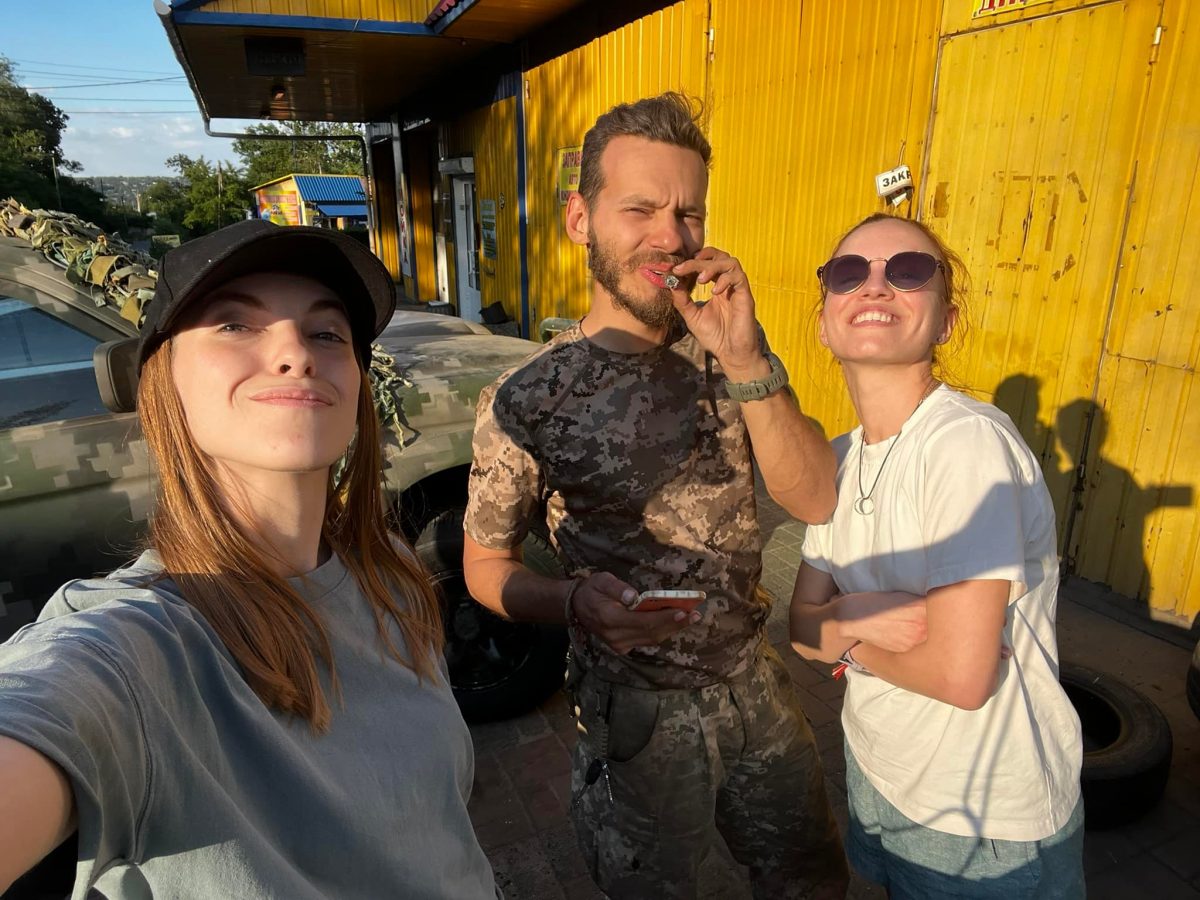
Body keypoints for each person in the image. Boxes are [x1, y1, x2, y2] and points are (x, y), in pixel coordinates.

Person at [0, 221, 497, 899]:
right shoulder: (133, 652)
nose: (295, 351)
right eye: (234, 324)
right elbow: (42, 708)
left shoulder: (393, 581)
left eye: (327, 332)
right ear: (163, 380)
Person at [462, 92, 848, 899]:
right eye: (640, 209)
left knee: (810, 879)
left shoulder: (732, 351)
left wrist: (747, 360)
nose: (671, 237)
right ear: (580, 220)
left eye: (689, 213)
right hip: (636, 717)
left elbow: (816, 499)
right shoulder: (527, 398)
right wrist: (572, 601)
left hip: (756, 682)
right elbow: (484, 567)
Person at [789, 213, 1084, 898]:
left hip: (980, 817)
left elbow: (961, 676)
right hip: (881, 773)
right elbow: (798, 629)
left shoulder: (965, 444)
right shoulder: (838, 457)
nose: (875, 285)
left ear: (946, 322)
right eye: (848, 273)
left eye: (909, 271)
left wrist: (844, 635)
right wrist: (861, 615)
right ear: (825, 321)